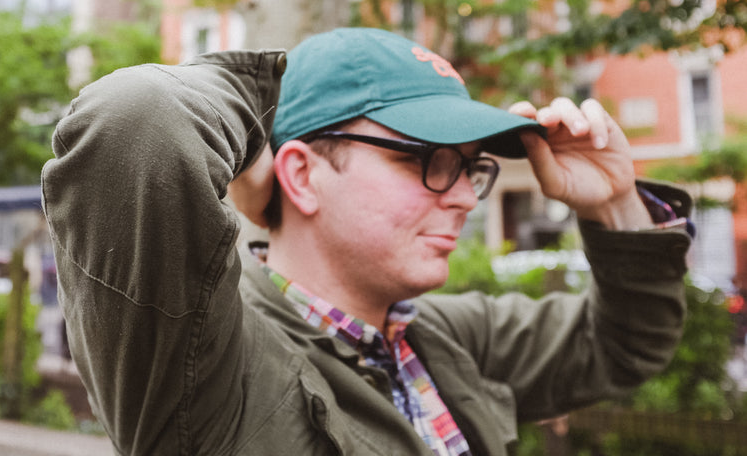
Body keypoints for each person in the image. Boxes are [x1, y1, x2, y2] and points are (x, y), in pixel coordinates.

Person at [41, 27, 693, 456]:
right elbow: (138, 120)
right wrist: (285, 88)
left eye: (471, 166)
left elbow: (625, 344)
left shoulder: (447, 338)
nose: (465, 194)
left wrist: (614, 201)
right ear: (301, 173)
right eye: (428, 160)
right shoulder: (206, 369)